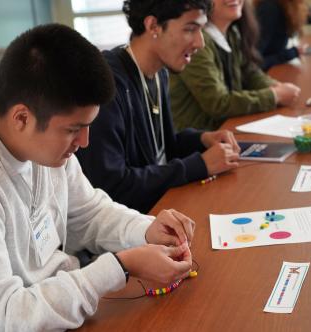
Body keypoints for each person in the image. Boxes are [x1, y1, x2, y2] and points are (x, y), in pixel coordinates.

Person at [0, 24, 197, 332]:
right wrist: (120, 266)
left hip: (47, 312)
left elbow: (88, 212)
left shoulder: (40, 144)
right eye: (73, 129)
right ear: (22, 118)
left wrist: (147, 231)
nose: (84, 142)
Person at [76, 0, 241, 214]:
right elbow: (113, 187)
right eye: (190, 29)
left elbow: (161, 152)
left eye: (201, 29)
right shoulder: (107, 86)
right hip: (127, 227)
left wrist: (201, 140)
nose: (200, 43)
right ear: (153, 26)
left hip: (159, 209)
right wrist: (199, 165)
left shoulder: (160, 71)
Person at [169, 0, 300, 131]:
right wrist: (275, 95)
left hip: (225, 130)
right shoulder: (196, 44)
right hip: (200, 141)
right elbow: (218, 103)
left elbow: (250, 72)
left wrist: (276, 86)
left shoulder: (232, 32)